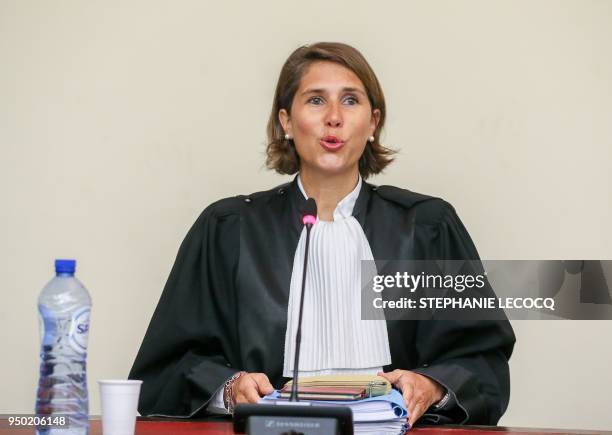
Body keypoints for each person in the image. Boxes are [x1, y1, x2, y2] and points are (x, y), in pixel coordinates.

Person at [129, 42, 515, 426]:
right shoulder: (229, 229)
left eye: (350, 101)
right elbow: (167, 368)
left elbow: (482, 360)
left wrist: (432, 385)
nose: (334, 117)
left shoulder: (426, 227)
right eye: (315, 101)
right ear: (286, 120)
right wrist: (230, 388)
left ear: (373, 122)